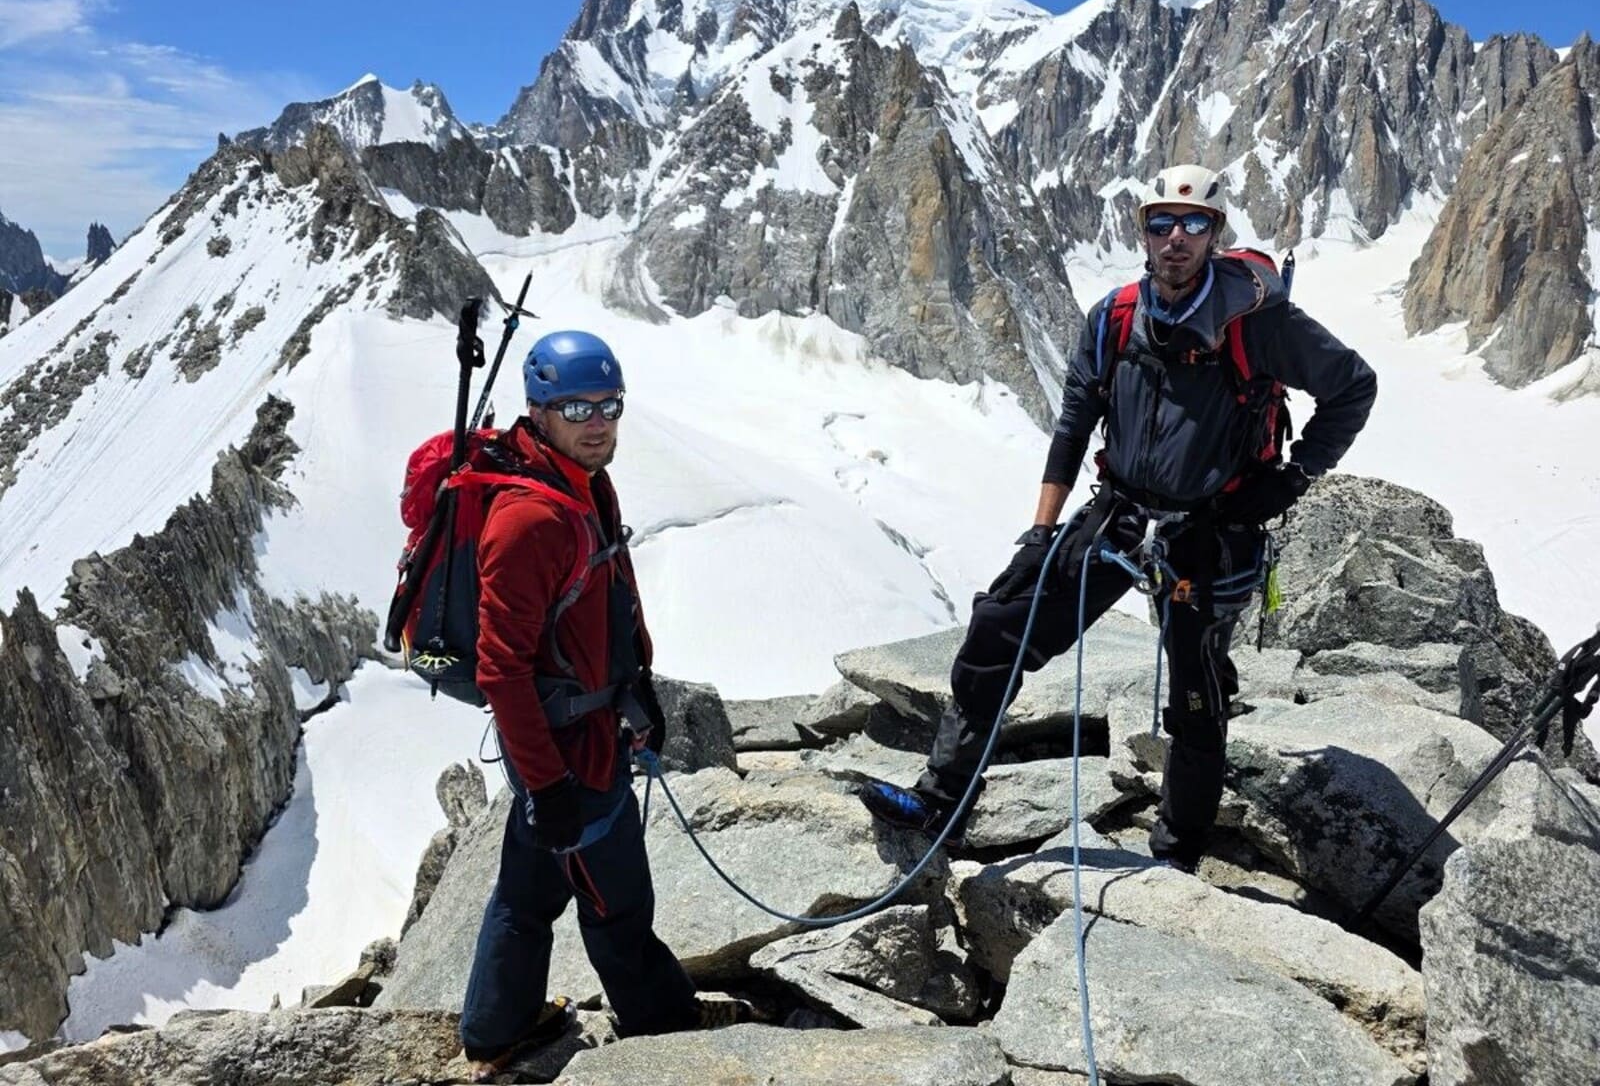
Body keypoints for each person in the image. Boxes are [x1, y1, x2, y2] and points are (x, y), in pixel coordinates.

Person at [858, 164, 1378, 871]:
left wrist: (1291, 479)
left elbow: (1353, 386)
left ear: (1216, 235)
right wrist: (1040, 535)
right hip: (1123, 514)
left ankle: (1176, 859)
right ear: (1142, 231)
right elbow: (1074, 426)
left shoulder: (1259, 322)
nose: (1176, 239)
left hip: (1210, 529)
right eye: (1161, 223)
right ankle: (942, 802)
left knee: (1196, 692)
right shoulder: (1115, 317)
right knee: (999, 627)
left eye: (1194, 225)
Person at [460, 330, 747, 1081]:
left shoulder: (583, 483)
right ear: (539, 411)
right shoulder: (529, 521)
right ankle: (666, 1030)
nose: (598, 422)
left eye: (609, 405)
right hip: (569, 757)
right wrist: (550, 786)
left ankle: (496, 1028)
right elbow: (501, 671)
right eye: (577, 407)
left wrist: (636, 682)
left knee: (528, 890)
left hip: (582, 734)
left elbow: (606, 596)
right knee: (618, 904)